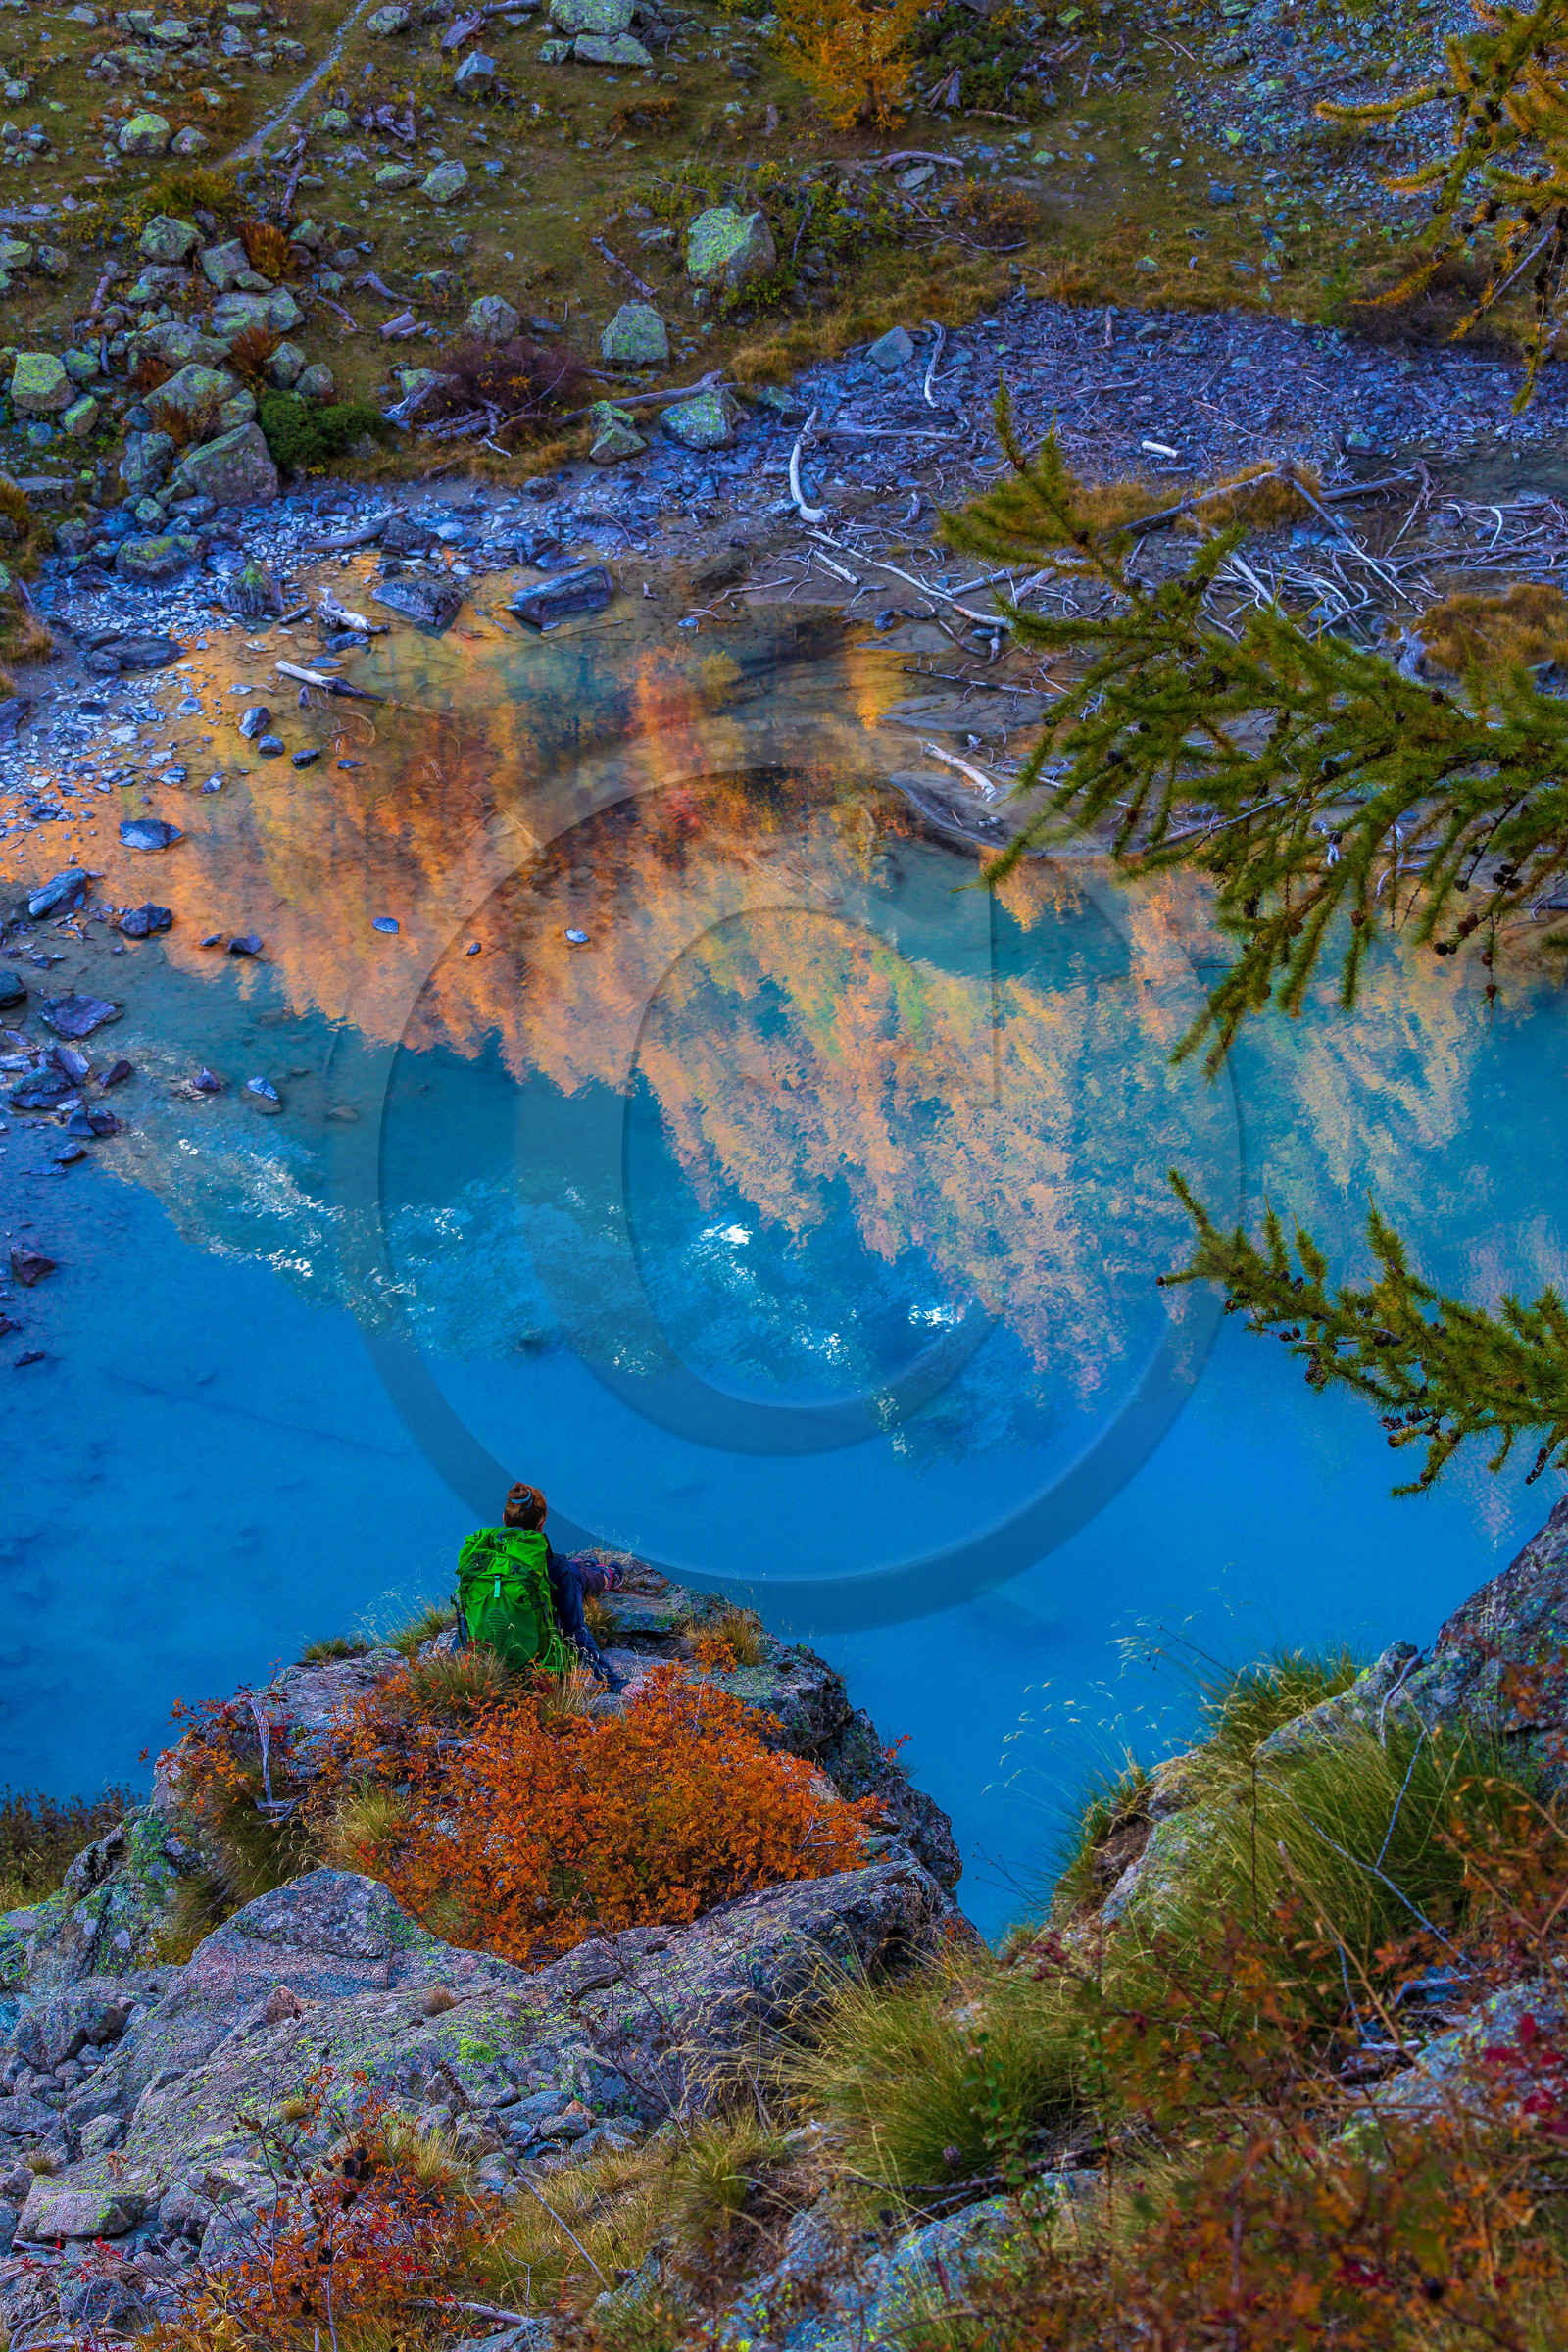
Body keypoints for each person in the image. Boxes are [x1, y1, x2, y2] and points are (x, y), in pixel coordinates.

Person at [458, 1481, 626, 1690]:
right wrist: (613, 1681)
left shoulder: (480, 1559)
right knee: (574, 1573)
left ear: (504, 1519)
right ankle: (606, 1576)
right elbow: (574, 1630)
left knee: (571, 1570)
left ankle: (586, 1568)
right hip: (540, 1669)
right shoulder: (554, 1567)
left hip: (486, 1664)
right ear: (542, 1523)